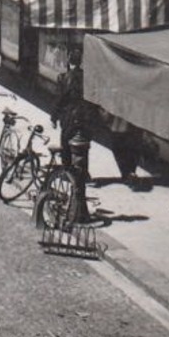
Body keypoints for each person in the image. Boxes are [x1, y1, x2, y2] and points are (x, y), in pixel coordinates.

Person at [51, 49, 94, 219]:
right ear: (81, 61)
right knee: (82, 149)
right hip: (84, 119)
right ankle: (82, 175)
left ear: (69, 61)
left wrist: (54, 116)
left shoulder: (63, 78)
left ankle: (70, 176)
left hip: (69, 117)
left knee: (66, 147)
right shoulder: (87, 78)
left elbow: (59, 99)